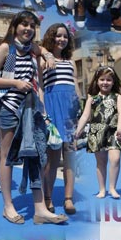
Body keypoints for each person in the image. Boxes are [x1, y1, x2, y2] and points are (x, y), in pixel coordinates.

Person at [0, 13, 65, 227]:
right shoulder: (7, 49)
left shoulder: (33, 49)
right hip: (10, 107)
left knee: (36, 156)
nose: (28, 28)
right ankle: (8, 206)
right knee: (8, 156)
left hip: (31, 110)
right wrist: (16, 84)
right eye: (24, 24)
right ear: (15, 26)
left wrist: (47, 55)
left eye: (32, 25)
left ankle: (40, 208)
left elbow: (39, 73)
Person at [41, 24, 81, 216]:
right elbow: (40, 86)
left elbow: (75, 87)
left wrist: (79, 108)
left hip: (69, 109)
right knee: (53, 156)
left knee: (70, 155)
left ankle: (68, 198)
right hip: (52, 107)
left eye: (65, 36)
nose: (62, 39)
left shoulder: (71, 62)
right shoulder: (43, 60)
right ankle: (47, 197)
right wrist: (44, 112)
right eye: (58, 36)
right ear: (51, 37)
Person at [75, 65, 121, 199]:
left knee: (115, 159)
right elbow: (85, 116)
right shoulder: (92, 98)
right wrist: (78, 130)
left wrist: (120, 129)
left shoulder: (117, 97)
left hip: (113, 132)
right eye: (102, 79)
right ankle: (102, 189)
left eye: (109, 80)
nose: (105, 82)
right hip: (97, 132)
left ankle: (112, 188)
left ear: (113, 82)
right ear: (97, 81)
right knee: (101, 162)